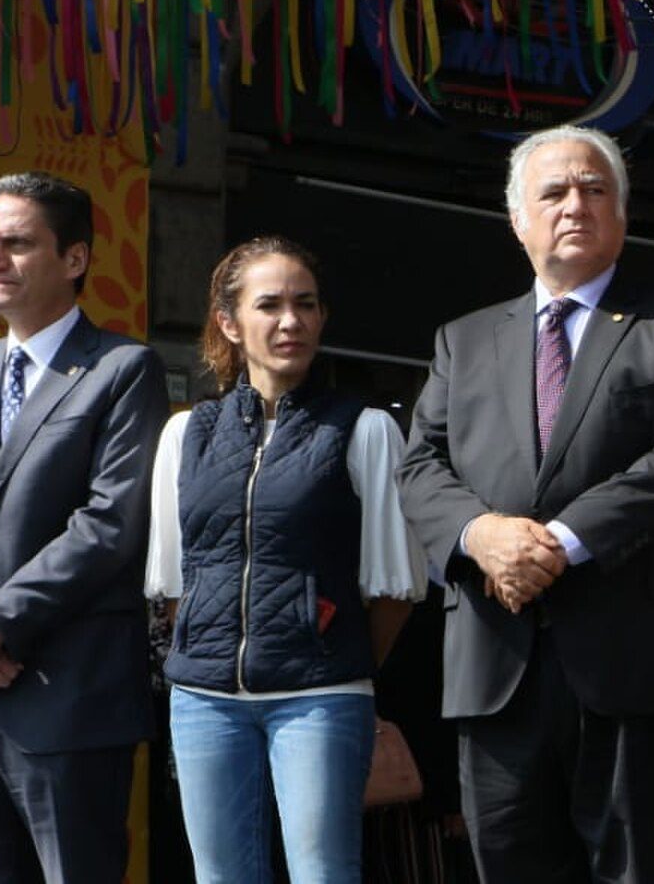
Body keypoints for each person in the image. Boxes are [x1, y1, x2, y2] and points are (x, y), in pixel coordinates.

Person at [396, 123, 654, 883]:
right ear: (519, 218)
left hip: (640, 663)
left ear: (623, 214)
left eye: (595, 189)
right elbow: (419, 465)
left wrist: (555, 542)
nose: (574, 204)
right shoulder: (464, 338)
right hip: (499, 664)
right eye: (553, 191)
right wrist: (481, 534)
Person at [145, 237, 426, 882]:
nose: (289, 320)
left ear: (323, 318)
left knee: (323, 873)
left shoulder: (364, 429)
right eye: (268, 305)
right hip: (204, 698)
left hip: (321, 696)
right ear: (230, 322)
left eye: (305, 304)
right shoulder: (185, 434)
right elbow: (172, 585)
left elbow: (396, 587)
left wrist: (337, 663)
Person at [0, 171, 169, 881]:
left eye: (17, 243)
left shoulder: (123, 369)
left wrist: (0, 622)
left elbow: (110, 521)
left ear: (74, 258)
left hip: (68, 701)